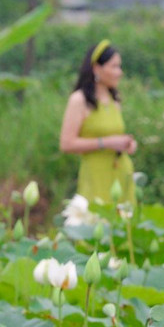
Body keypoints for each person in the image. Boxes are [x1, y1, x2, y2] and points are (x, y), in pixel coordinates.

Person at [59, 41, 136, 206]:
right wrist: (106, 143)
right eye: (114, 67)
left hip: (121, 171)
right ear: (96, 68)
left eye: (120, 67)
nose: (119, 72)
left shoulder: (115, 99)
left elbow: (115, 134)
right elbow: (66, 144)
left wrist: (126, 144)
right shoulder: (79, 100)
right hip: (96, 174)